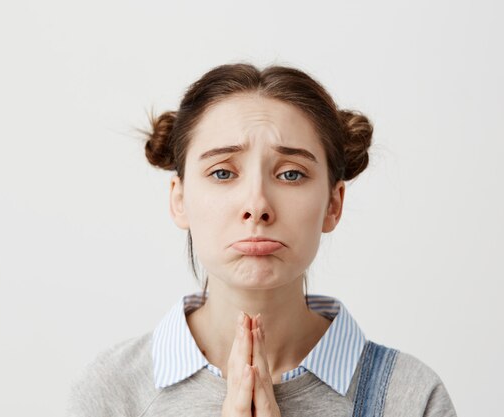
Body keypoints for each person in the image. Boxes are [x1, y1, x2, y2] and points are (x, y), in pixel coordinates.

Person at [66, 63, 457, 417]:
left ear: (333, 204)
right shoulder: (112, 393)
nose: (257, 205)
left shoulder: (410, 398)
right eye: (222, 173)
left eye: (290, 174)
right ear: (180, 199)